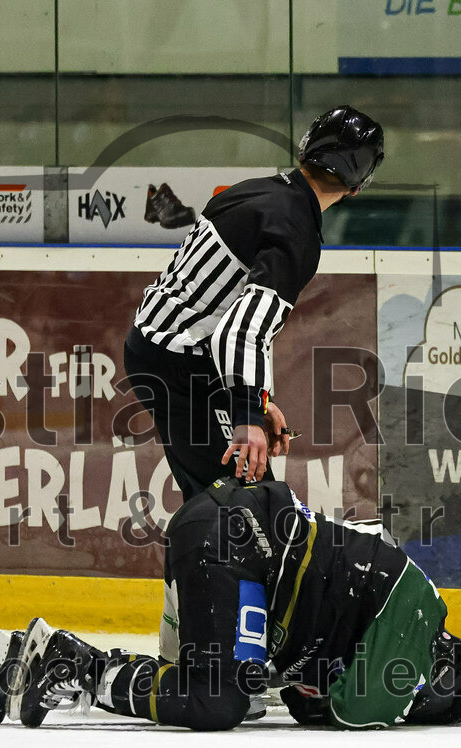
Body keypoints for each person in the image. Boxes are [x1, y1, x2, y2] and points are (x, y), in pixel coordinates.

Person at [0, 478, 461, 732]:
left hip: (229, 542)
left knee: (216, 688)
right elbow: (355, 709)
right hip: (237, 545)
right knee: (219, 702)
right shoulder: (419, 614)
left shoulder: (388, 622)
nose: (424, 699)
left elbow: (308, 705)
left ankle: (33, 658)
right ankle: (72, 663)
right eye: (437, 695)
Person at [123, 107, 384, 500]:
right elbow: (238, 332)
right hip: (179, 365)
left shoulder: (253, 191)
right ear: (355, 188)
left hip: (155, 347)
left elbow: (214, 309)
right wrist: (246, 415)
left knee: (217, 498)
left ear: (305, 151)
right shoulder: (296, 232)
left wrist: (259, 397)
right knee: (240, 504)